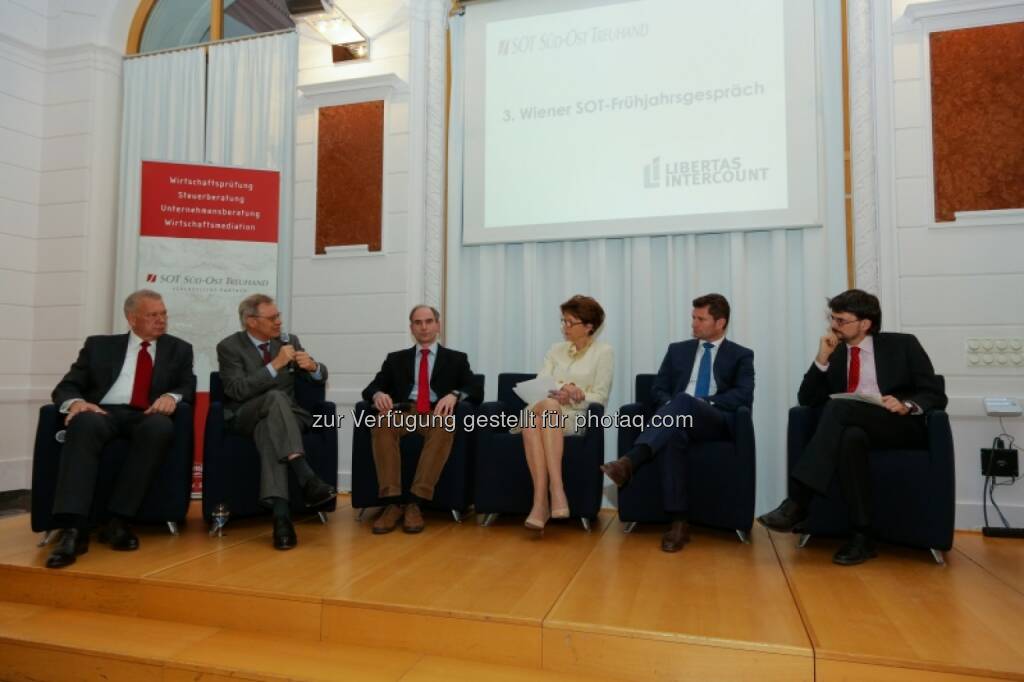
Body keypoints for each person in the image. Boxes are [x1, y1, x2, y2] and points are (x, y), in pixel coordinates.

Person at [758, 289, 947, 565]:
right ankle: (862, 536)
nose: (834, 326)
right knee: (849, 437)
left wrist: (906, 404)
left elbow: (935, 394)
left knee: (838, 407)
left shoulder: (903, 345)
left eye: (841, 320)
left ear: (865, 323)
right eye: (832, 319)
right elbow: (806, 399)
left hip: (896, 425)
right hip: (854, 427)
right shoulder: (835, 353)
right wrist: (821, 359)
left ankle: (798, 501)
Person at [45, 289, 195, 568]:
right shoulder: (99, 346)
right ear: (132, 318)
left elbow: (186, 386)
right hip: (102, 411)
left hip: (146, 413)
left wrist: (170, 397)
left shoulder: (179, 349)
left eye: (163, 314)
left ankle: (118, 520)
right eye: (153, 315)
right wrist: (77, 403)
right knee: (83, 423)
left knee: (160, 428)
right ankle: (73, 528)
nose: (161, 320)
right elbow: (67, 386)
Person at [602, 293, 754, 553]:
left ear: (720, 323)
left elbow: (743, 394)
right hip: (676, 419)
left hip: (714, 420)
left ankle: (631, 461)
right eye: (693, 317)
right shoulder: (677, 350)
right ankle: (679, 522)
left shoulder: (740, 355)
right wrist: (672, 406)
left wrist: (703, 403)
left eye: (700, 319)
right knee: (673, 432)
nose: (693, 323)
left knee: (683, 401)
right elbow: (658, 389)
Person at [216, 294, 336, 550]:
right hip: (246, 415)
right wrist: (275, 365)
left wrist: (313, 367)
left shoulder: (289, 341)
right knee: (273, 396)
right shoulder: (229, 347)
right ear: (251, 321)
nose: (279, 322)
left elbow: (320, 375)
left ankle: (281, 518)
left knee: (269, 428)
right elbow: (236, 391)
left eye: (278, 316)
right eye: (272, 318)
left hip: (287, 417)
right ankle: (305, 475)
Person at [362, 305, 482, 534]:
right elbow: (371, 388)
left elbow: (475, 387)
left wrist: (455, 394)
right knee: (383, 423)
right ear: (412, 328)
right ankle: (392, 503)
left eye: (428, 321)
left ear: (438, 325)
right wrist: (379, 395)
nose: (424, 327)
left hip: (436, 413)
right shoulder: (396, 359)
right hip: (405, 412)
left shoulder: (456, 359)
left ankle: (416, 502)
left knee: (445, 424)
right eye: (418, 322)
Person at [521, 295, 613, 531]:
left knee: (533, 422)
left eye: (570, 322)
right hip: (545, 406)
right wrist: (563, 387)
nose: (565, 327)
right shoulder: (555, 349)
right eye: (563, 321)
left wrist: (575, 395)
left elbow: (600, 396)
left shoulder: (603, 352)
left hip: (572, 415)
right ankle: (557, 490)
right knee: (547, 407)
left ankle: (540, 503)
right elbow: (542, 380)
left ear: (589, 326)